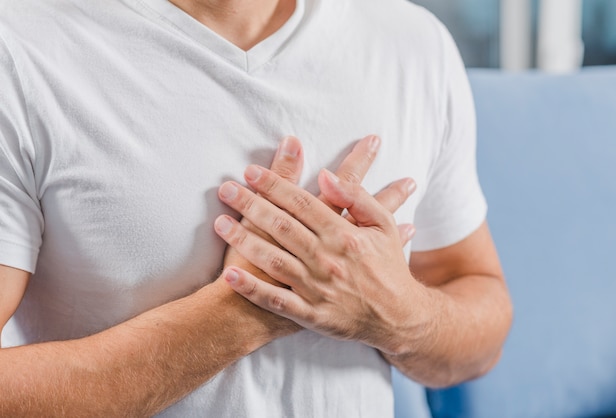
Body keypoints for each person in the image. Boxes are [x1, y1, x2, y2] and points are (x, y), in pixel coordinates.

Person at [0, 0, 512, 416]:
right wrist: (242, 314)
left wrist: (398, 312)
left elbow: (481, 327)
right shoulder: (21, 48)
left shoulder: (414, 44)